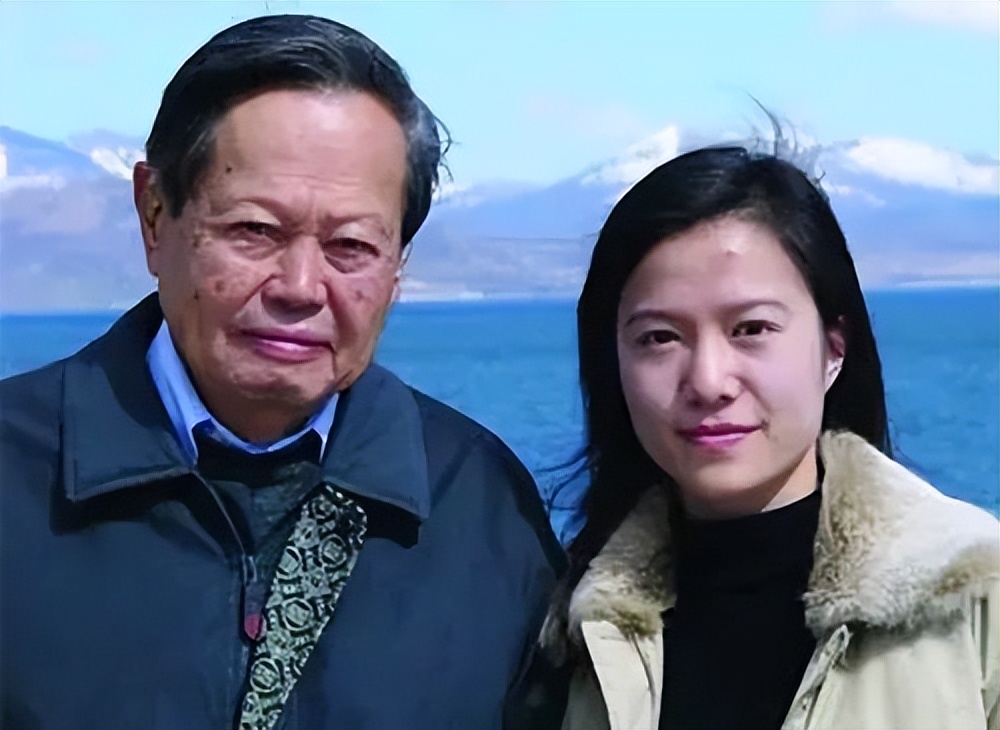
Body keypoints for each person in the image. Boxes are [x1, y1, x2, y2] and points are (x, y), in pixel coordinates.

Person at [0, 15, 563, 730]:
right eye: (255, 232)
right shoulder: (17, 473)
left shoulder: (480, 505)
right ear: (155, 215)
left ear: (399, 264)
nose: (300, 287)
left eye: (350, 245)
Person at [528, 144, 999, 729]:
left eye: (751, 328)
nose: (709, 381)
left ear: (834, 349)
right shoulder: (574, 629)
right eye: (659, 338)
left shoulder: (972, 594)